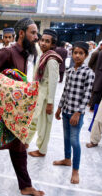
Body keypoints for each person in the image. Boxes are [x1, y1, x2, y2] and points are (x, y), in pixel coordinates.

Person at [0, 18, 44, 196]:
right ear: (22, 33)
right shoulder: (7, 52)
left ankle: (25, 186)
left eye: (36, 33)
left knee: (19, 147)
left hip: (14, 112)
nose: (36, 37)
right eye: (33, 32)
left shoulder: (25, 54)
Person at [54, 41, 95, 184]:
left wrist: (78, 113)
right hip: (65, 110)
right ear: (71, 54)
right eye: (75, 53)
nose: (77, 56)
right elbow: (65, 91)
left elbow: (87, 95)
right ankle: (67, 159)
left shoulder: (89, 73)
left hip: (76, 113)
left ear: (86, 55)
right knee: (66, 137)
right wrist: (59, 108)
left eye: (81, 53)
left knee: (74, 141)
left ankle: (76, 170)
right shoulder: (70, 71)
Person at [25, 29, 62, 157]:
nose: (43, 43)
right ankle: (26, 142)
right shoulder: (43, 55)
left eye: (47, 41)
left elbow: (53, 83)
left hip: (46, 98)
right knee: (34, 120)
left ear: (53, 44)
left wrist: (50, 103)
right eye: (42, 40)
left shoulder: (52, 59)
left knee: (44, 125)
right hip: (39, 95)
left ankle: (42, 150)